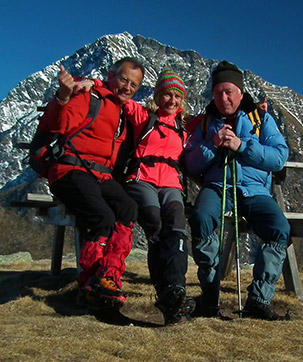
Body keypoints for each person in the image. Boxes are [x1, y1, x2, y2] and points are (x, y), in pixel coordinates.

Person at [183, 60, 290, 320]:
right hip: (219, 187)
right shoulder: (206, 123)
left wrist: (242, 146)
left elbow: (279, 157)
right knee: (201, 218)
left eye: (228, 91)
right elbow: (188, 162)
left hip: (255, 191)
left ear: (240, 94)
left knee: (280, 230)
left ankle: (259, 299)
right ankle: (210, 296)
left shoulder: (261, 119)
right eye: (218, 92)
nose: (223, 97)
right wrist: (212, 145)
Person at [39, 57, 144, 309]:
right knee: (102, 217)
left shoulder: (124, 110)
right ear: (111, 75)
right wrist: (64, 97)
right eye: (123, 79)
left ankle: (109, 276)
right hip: (70, 170)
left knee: (128, 207)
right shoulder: (88, 96)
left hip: (100, 176)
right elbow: (61, 124)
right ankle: (89, 282)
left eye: (134, 85)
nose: (127, 87)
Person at [89, 70, 193, 324]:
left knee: (177, 227)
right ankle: (165, 290)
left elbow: (217, 118)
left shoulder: (185, 126)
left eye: (177, 96)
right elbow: (121, 96)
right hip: (141, 179)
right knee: (154, 222)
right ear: (157, 96)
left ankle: (175, 288)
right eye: (167, 95)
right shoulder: (143, 117)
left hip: (171, 183)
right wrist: (97, 83)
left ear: (182, 100)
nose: (171, 101)